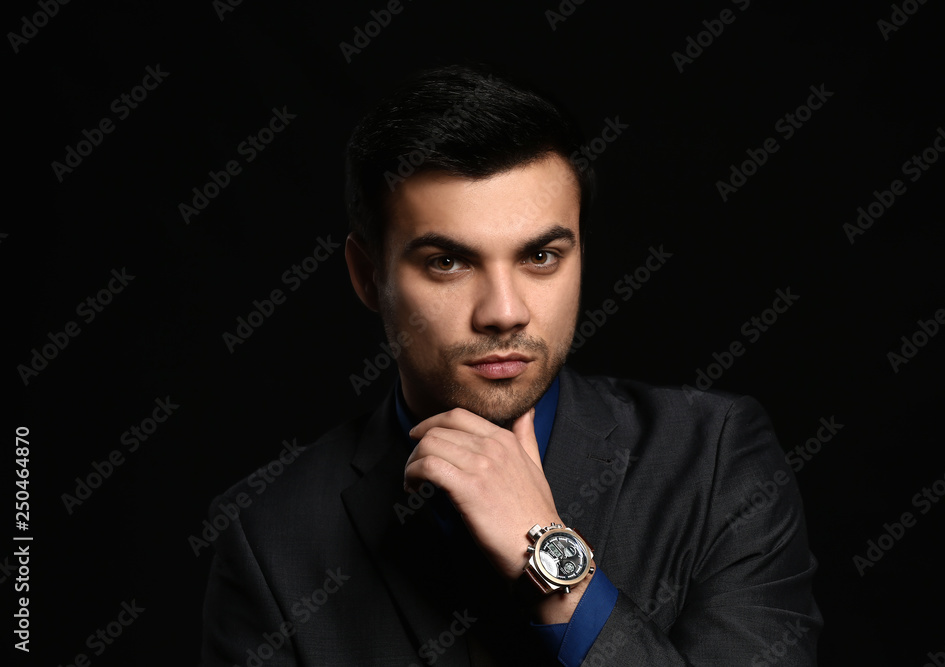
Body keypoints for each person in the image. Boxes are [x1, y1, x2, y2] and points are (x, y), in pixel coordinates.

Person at [200, 63, 822, 666]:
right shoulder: (268, 534)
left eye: (542, 257)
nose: (504, 312)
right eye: (448, 262)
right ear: (368, 275)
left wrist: (549, 555)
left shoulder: (712, 459)